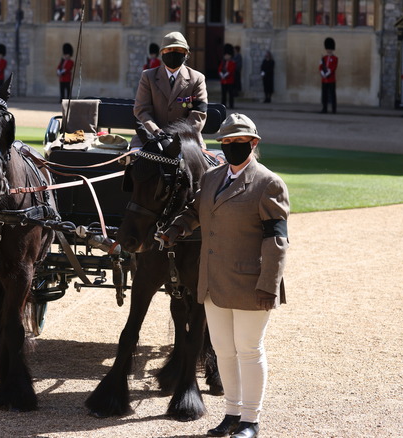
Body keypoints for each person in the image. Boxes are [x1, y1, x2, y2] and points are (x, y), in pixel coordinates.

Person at [160, 113, 289, 438]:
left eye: (239, 142)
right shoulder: (212, 178)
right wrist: (175, 228)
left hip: (251, 284)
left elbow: (277, 241)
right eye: (227, 143)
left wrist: (269, 286)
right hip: (213, 282)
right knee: (223, 350)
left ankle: (251, 420)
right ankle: (231, 414)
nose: (232, 147)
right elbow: (195, 210)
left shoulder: (268, 183)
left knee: (248, 349)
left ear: (253, 144)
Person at [133, 31, 208, 148]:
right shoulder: (148, 77)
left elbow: (198, 115)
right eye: (169, 50)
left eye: (178, 50)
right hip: (150, 136)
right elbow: (141, 110)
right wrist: (158, 133)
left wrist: (176, 138)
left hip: (186, 139)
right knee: (139, 162)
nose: (173, 53)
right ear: (162, 52)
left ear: (186, 53)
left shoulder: (197, 79)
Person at [320, 37, 338, 113]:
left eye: (330, 49)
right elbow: (320, 66)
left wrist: (327, 73)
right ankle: (324, 108)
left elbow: (334, 67)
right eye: (328, 49)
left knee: (332, 94)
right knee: (324, 95)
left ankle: (334, 109)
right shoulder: (324, 58)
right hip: (324, 79)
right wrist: (322, 73)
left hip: (331, 79)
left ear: (332, 49)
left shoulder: (335, 58)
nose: (329, 50)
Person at [219, 44, 237, 109]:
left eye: (227, 55)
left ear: (230, 56)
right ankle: (223, 105)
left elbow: (231, 70)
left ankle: (231, 105)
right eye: (225, 55)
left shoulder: (233, 63)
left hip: (230, 81)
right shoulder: (223, 62)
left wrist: (225, 75)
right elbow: (220, 69)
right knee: (223, 94)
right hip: (223, 81)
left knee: (230, 94)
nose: (226, 56)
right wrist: (221, 74)